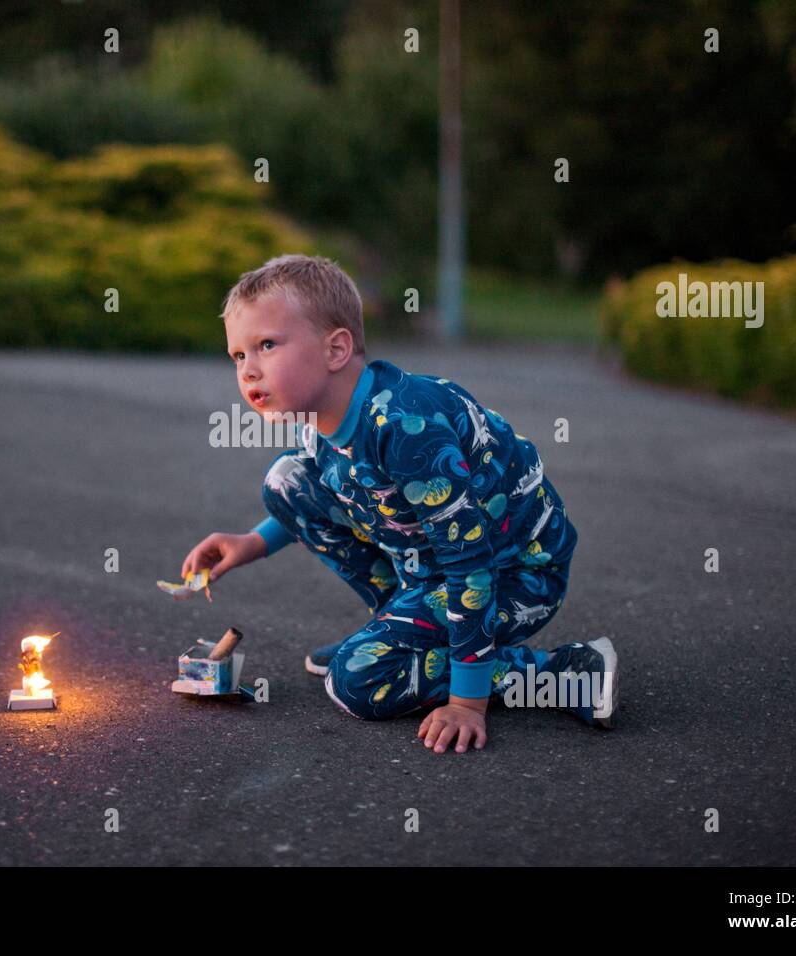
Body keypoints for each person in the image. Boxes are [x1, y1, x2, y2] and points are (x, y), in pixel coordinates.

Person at [181, 254, 617, 754]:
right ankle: (397, 634)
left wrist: (467, 703)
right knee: (286, 480)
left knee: (357, 682)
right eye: (238, 355)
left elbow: (470, 564)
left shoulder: (408, 429)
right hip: (433, 564)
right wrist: (253, 542)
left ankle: (565, 673)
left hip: (513, 575)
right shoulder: (320, 418)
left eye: (266, 346)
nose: (249, 369)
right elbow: (326, 487)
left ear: (336, 349)